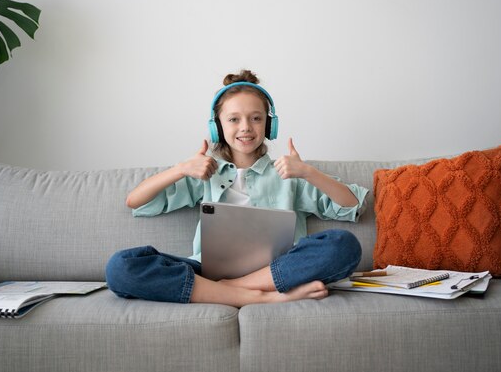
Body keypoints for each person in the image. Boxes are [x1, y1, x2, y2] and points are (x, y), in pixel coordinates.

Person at [105, 70, 368, 307]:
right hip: (206, 271)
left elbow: (353, 205)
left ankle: (227, 291)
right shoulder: (205, 172)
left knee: (343, 245)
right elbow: (136, 202)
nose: (245, 127)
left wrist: (307, 172)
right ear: (217, 126)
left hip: (276, 269)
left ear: (269, 124)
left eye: (256, 118)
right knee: (121, 267)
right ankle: (259, 296)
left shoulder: (290, 173)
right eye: (233, 119)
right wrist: (181, 169)